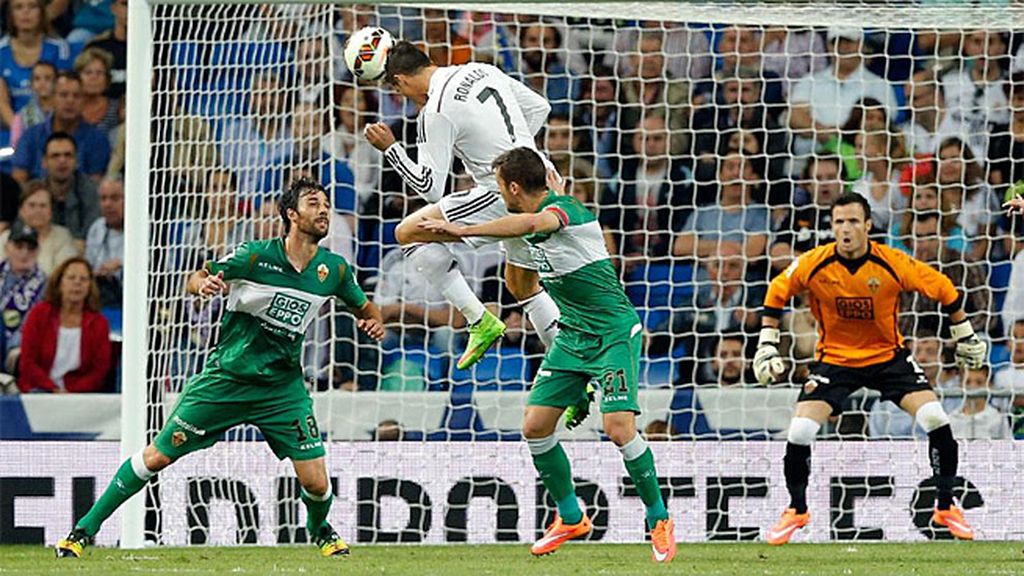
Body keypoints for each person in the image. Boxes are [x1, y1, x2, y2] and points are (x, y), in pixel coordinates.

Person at [56, 177, 385, 559]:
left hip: (282, 389)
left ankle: (320, 528)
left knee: (315, 482)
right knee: (158, 455)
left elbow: (366, 308)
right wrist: (204, 286)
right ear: (292, 215)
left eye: (326, 203)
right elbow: (195, 277)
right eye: (314, 203)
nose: (324, 209)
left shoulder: (335, 270)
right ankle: (82, 531)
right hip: (226, 379)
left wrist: (372, 322)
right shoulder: (254, 256)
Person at [418, 147, 676, 563]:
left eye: (501, 186)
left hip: (612, 334)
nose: (498, 194)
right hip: (573, 337)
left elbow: (538, 220)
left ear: (513, 188)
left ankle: (659, 518)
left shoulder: (564, 209)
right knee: (536, 426)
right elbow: (521, 266)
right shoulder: (535, 217)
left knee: (618, 427)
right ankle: (571, 516)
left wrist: (456, 230)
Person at [753, 192, 987, 545]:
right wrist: (766, 343)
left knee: (936, 420)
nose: (845, 229)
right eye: (838, 223)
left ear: (867, 225)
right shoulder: (814, 263)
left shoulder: (892, 262)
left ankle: (945, 505)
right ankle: (797, 509)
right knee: (800, 430)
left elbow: (944, 288)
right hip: (835, 359)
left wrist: (963, 332)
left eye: (852, 222)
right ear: (832, 227)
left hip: (888, 357)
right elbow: (776, 290)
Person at [363, 41, 561, 371]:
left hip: (502, 192)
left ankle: (477, 318)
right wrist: (513, 150)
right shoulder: (480, 69)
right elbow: (540, 108)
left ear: (401, 80)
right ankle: (576, 369)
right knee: (523, 285)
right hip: (540, 179)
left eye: (398, 90)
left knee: (409, 233)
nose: (405, 99)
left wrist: (392, 149)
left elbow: (429, 188)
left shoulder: (435, 111)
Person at [17, 257, 110, 393]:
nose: (77, 283)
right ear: (60, 283)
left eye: (83, 279)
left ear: (90, 286)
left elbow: (99, 371)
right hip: (39, 390)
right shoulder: (39, 314)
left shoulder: (99, 323)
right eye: (71, 278)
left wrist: (70, 393)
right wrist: (53, 389)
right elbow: (27, 363)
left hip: (79, 395)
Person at [0, 181, 78, 275]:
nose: (37, 211)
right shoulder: (6, 238)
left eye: (43, 206)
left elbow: (64, 275)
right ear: (21, 210)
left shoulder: (63, 237)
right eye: (32, 205)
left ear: (51, 211)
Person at [0, 222, 46, 378]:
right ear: (7, 248)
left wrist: (17, 346)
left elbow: (38, 323)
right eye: (19, 247)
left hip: (22, 351)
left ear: (38, 251)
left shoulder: (46, 284)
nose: (24, 253)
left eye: (30, 248)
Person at [40, 131, 100, 248]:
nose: (62, 161)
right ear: (44, 162)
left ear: (76, 160)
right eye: (55, 156)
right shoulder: (34, 193)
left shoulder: (92, 191)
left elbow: (92, 235)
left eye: (68, 155)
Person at [84, 178, 123, 308]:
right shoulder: (97, 227)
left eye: (115, 198)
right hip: (101, 297)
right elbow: (89, 265)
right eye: (103, 199)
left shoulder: (147, 227)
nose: (107, 204)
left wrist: (121, 263)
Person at [948, 366, 1011, 440]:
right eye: (967, 382)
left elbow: (1008, 447)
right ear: (960, 385)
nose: (973, 387)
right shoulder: (951, 419)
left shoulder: (998, 419)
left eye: (979, 382)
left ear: (989, 386)